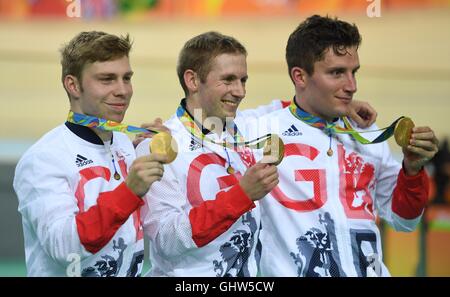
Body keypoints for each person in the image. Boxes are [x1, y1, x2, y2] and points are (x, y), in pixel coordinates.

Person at [135, 31, 378, 276]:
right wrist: (240, 195)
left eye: (243, 80)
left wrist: (338, 105)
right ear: (193, 80)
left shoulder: (247, 128)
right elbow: (167, 241)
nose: (240, 91)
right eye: (229, 80)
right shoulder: (159, 146)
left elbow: (292, 107)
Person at [251, 15, 439, 277]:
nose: (352, 86)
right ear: (300, 76)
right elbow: (201, 121)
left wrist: (412, 170)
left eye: (354, 72)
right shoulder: (261, 130)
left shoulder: (368, 134)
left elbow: (405, 221)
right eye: (337, 73)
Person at [13, 31, 166, 276]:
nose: (123, 90)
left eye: (126, 78)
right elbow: (64, 248)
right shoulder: (43, 159)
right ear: (73, 85)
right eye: (107, 79)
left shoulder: (124, 145)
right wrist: (129, 192)